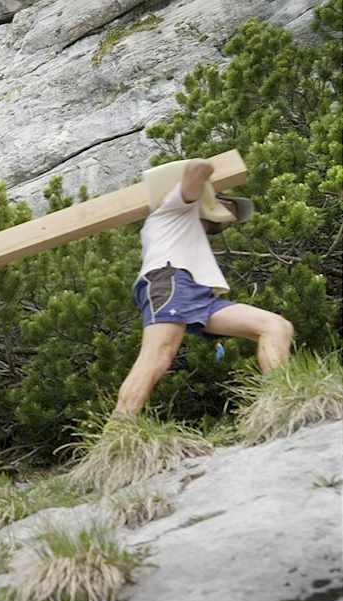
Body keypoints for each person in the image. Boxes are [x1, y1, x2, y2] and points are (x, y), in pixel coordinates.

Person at [113, 158, 294, 417]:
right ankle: (119, 428)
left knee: (276, 326)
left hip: (198, 295)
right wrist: (208, 173)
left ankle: (283, 400)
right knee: (158, 355)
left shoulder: (186, 229)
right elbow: (198, 168)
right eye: (226, 204)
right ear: (207, 198)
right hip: (170, 279)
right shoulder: (174, 207)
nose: (229, 216)